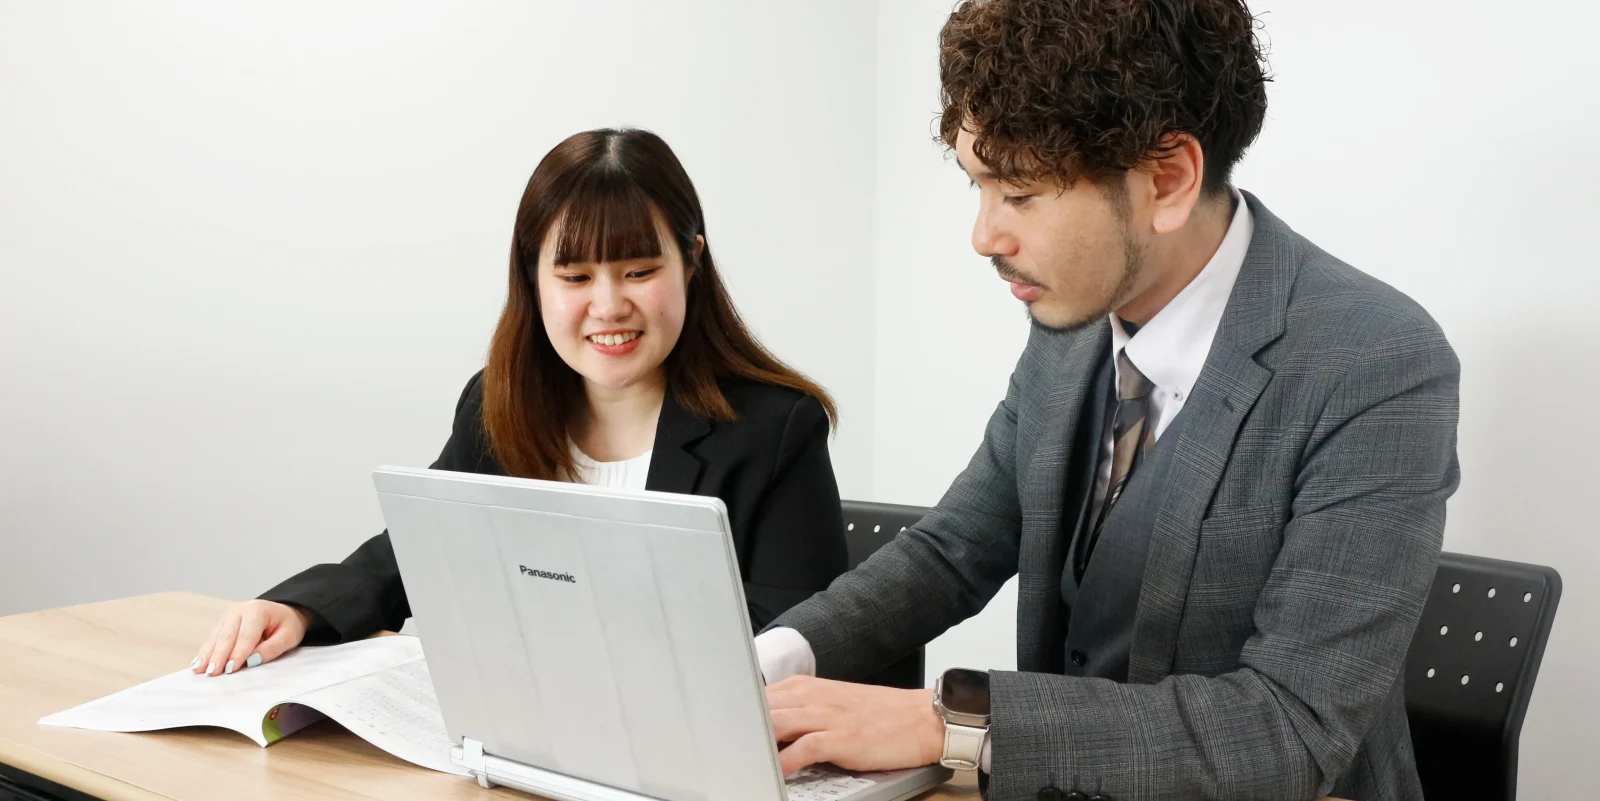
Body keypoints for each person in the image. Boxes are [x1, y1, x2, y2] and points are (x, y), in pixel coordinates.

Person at [758, 2, 1458, 800]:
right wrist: (764, 664)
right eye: (976, 185)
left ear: (1167, 181)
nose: (984, 235)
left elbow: (1289, 725)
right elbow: (954, 549)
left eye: (1018, 193)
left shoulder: (1376, 359)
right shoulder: (1073, 314)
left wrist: (949, 724)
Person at [190, 128, 849, 678]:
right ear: (534, 278)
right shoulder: (498, 403)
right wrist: (302, 609)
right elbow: (416, 554)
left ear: (692, 262)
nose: (609, 305)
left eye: (639, 271)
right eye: (575, 277)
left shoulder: (776, 427)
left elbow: (793, 642)